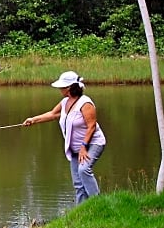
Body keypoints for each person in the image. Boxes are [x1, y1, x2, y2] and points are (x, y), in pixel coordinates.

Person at [22, 71, 107, 205]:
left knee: (84, 170)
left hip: (92, 144)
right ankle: (82, 211)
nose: (59, 89)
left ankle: (99, 203)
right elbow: (52, 114)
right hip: (75, 148)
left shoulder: (85, 103)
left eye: (62, 87)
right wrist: (33, 120)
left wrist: (84, 147)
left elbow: (91, 126)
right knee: (78, 184)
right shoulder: (65, 102)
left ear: (70, 88)